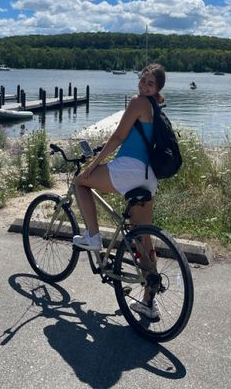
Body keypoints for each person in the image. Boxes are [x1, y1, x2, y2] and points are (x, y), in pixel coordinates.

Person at [72, 63, 166, 319]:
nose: (144, 85)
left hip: (128, 170)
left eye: (150, 83)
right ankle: (149, 301)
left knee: (81, 182)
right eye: (143, 80)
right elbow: (134, 136)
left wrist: (93, 164)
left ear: (157, 88)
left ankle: (92, 236)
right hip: (148, 177)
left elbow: (118, 137)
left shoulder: (137, 102)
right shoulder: (156, 106)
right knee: (142, 239)